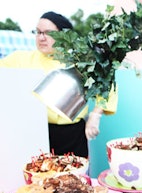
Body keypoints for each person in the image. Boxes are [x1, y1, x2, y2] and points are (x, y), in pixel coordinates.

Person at [0, 11, 115, 158]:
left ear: (64, 35)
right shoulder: (20, 59)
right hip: (33, 133)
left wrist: (96, 115)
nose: (41, 37)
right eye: (38, 32)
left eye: (48, 33)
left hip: (72, 134)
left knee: (73, 178)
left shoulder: (80, 62)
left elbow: (107, 83)